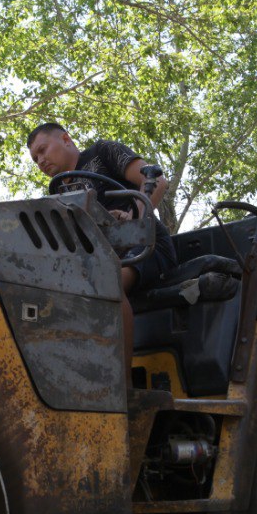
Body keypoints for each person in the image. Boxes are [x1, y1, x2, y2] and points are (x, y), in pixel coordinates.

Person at [26, 122, 177, 367]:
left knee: (107, 281)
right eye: (35, 159)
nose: (40, 160)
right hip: (100, 259)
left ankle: (122, 389)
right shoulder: (56, 193)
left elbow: (156, 180)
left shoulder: (102, 152)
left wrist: (133, 219)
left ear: (65, 139)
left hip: (145, 246)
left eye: (43, 150)